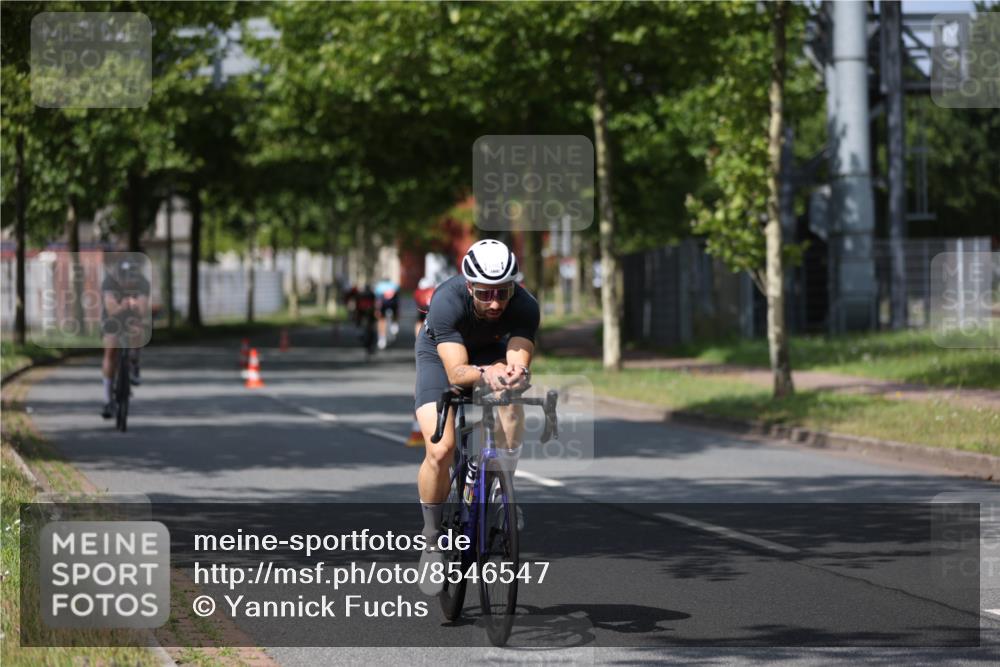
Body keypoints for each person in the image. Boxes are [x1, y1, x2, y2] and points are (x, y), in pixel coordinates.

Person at [413, 239, 538, 594]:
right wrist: (486, 373)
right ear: (469, 286)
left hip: (489, 351)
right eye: (485, 294)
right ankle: (432, 539)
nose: (495, 302)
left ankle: (502, 491)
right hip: (441, 357)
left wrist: (514, 374)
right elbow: (457, 372)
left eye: (503, 292)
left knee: (510, 395)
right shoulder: (446, 301)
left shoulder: (525, 305)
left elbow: (518, 360)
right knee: (441, 449)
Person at [100, 258, 150, 418]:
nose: (129, 281)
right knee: (111, 349)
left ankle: (134, 363)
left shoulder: (142, 283)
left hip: (132, 317)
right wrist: (124, 304)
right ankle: (108, 400)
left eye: (132, 277)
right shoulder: (109, 282)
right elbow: (111, 309)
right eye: (125, 277)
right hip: (112, 318)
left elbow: (142, 311)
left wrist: (136, 306)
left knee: (137, 329)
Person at [373, 276, 400, 349]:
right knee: (395, 310)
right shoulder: (394, 285)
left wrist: (377, 310)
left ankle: (382, 338)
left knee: (381, 320)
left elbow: (377, 299)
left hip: (382, 305)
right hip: (393, 304)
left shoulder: (379, 286)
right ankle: (395, 323)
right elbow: (398, 298)